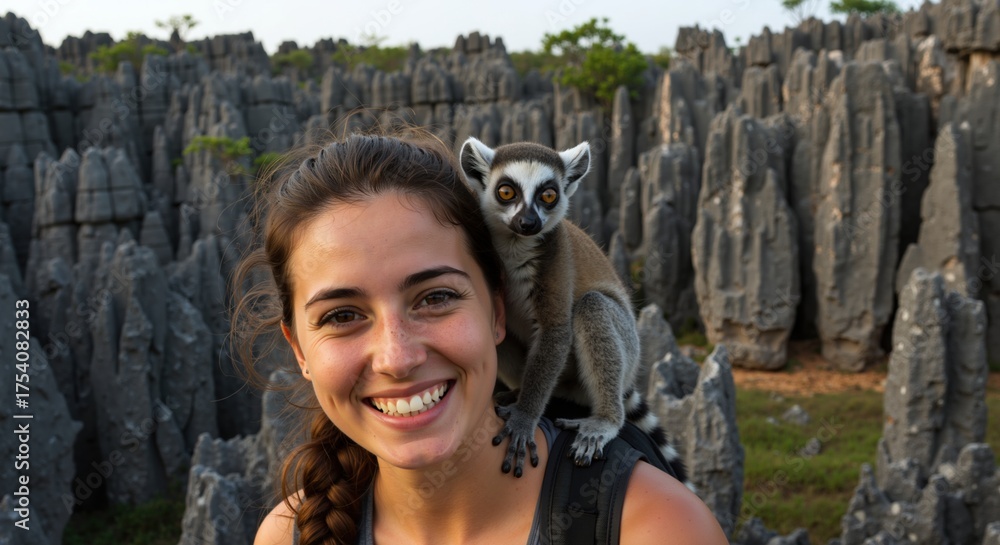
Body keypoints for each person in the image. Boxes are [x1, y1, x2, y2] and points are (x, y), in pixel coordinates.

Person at [235, 131, 728, 545]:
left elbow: (556, 331)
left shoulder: (656, 526)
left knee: (587, 311)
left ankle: (607, 414)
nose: (397, 357)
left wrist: (529, 415)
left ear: (495, 310)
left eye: (435, 297)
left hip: (597, 354)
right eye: (342, 314)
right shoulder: (289, 533)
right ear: (297, 348)